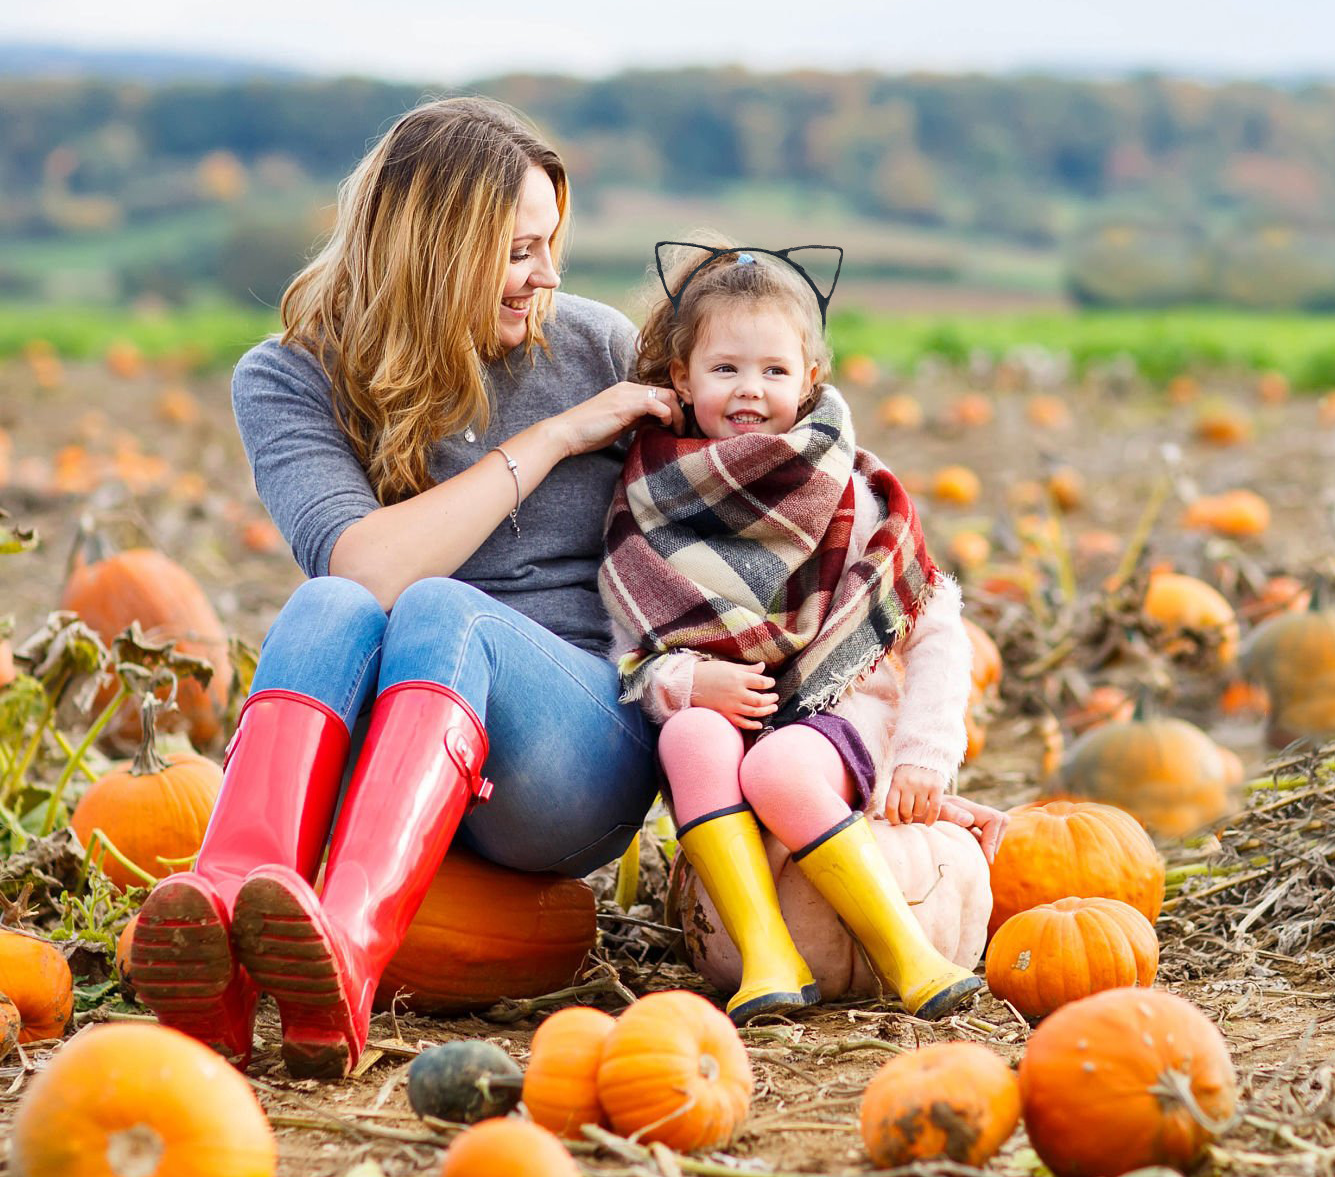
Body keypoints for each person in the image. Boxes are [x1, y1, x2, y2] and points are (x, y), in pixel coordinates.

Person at [130, 97, 678, 1079]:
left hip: (578, 756)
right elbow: (365, 569)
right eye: (518, 252)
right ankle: (226, 918)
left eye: (550, 245)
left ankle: (348, 947)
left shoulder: (597, 349)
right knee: (331, 601)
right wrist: (552, 440)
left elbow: (770, 434)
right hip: (397, 765)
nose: (548, 277)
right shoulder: (291, 376)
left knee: (438, 607)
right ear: (434, 253)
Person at [599, 239, 1005, 1027]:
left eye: (774, 370)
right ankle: (767, 955)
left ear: (809, 378)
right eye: (724, 368)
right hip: (734, 728)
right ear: (681, 377)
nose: (749, 389)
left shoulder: (849, 492)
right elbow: (629, 654)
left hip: (839, 719)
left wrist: (924, 755)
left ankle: (907, 952)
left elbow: (936, 625)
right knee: (687, 735)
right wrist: (687, 680)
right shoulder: (651, 500)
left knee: (779, 763)